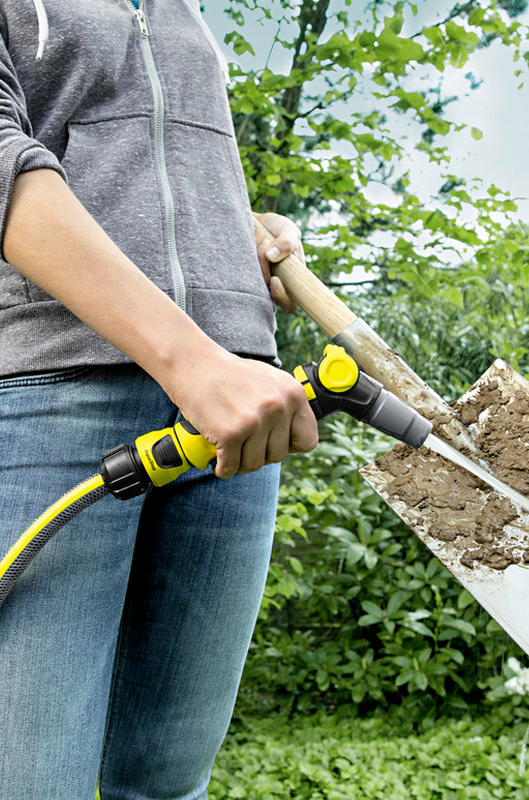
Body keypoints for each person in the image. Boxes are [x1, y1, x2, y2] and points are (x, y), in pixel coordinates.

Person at [0, 2, 318, 798]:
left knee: (168, 783)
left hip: (236, 411)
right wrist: (187, 358)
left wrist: (231, 226)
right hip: (50, 391)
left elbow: (153, 174)